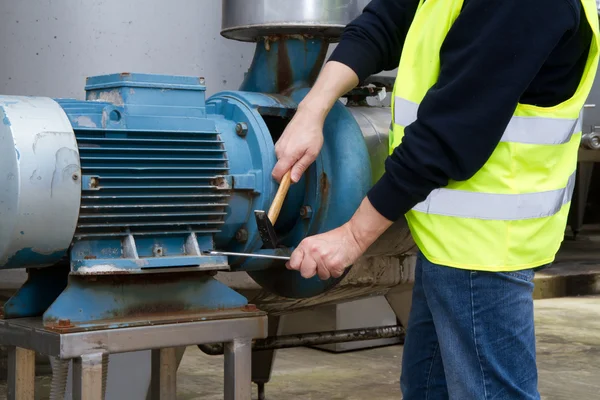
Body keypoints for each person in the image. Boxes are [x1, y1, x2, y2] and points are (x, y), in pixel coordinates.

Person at [271, 0, 600, 398]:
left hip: (485, 248)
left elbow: (449, 133)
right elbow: (386, 19)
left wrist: (352, 237)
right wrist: (312, 110)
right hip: (443, 240)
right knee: (427, 390)